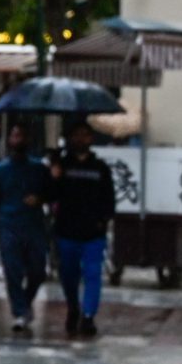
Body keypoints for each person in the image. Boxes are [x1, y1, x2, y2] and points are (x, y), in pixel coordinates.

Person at [52, 121, 116, 337]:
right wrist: (54, 177)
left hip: (93, 233)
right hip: (66, 231)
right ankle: (73, 306)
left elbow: (109, 198)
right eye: (77, 135)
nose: (81, 139)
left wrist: (103, 220)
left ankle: (88, 315)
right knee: (68, 275)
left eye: (85, 135)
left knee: (92, 274)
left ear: (91, 138)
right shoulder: (62, 165)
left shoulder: (100, 168)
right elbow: (51, 195)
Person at [0, 123, 52, 332]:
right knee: (12, 270)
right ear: (9, 140)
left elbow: (51, 193)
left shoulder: (39, 169)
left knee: (38, 270)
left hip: (33, 224)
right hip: (8, 224)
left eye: (22, 135)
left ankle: (25, 301)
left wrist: (39, 199)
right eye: (15, 135)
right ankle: (20, 311)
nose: (18, 140)